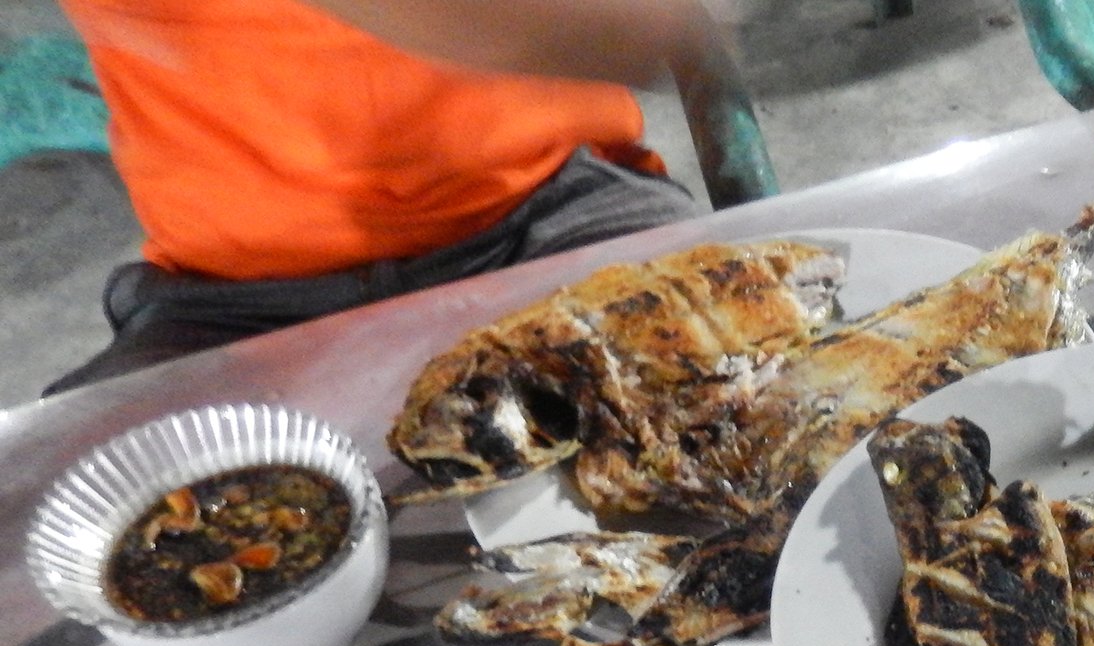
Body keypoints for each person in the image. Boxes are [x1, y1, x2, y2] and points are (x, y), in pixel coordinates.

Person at [47, 0, 775, 394]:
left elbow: (629, 27)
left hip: (552, 202)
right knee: (89, 553)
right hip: (227, 297)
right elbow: (623, 30)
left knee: (736, 402)